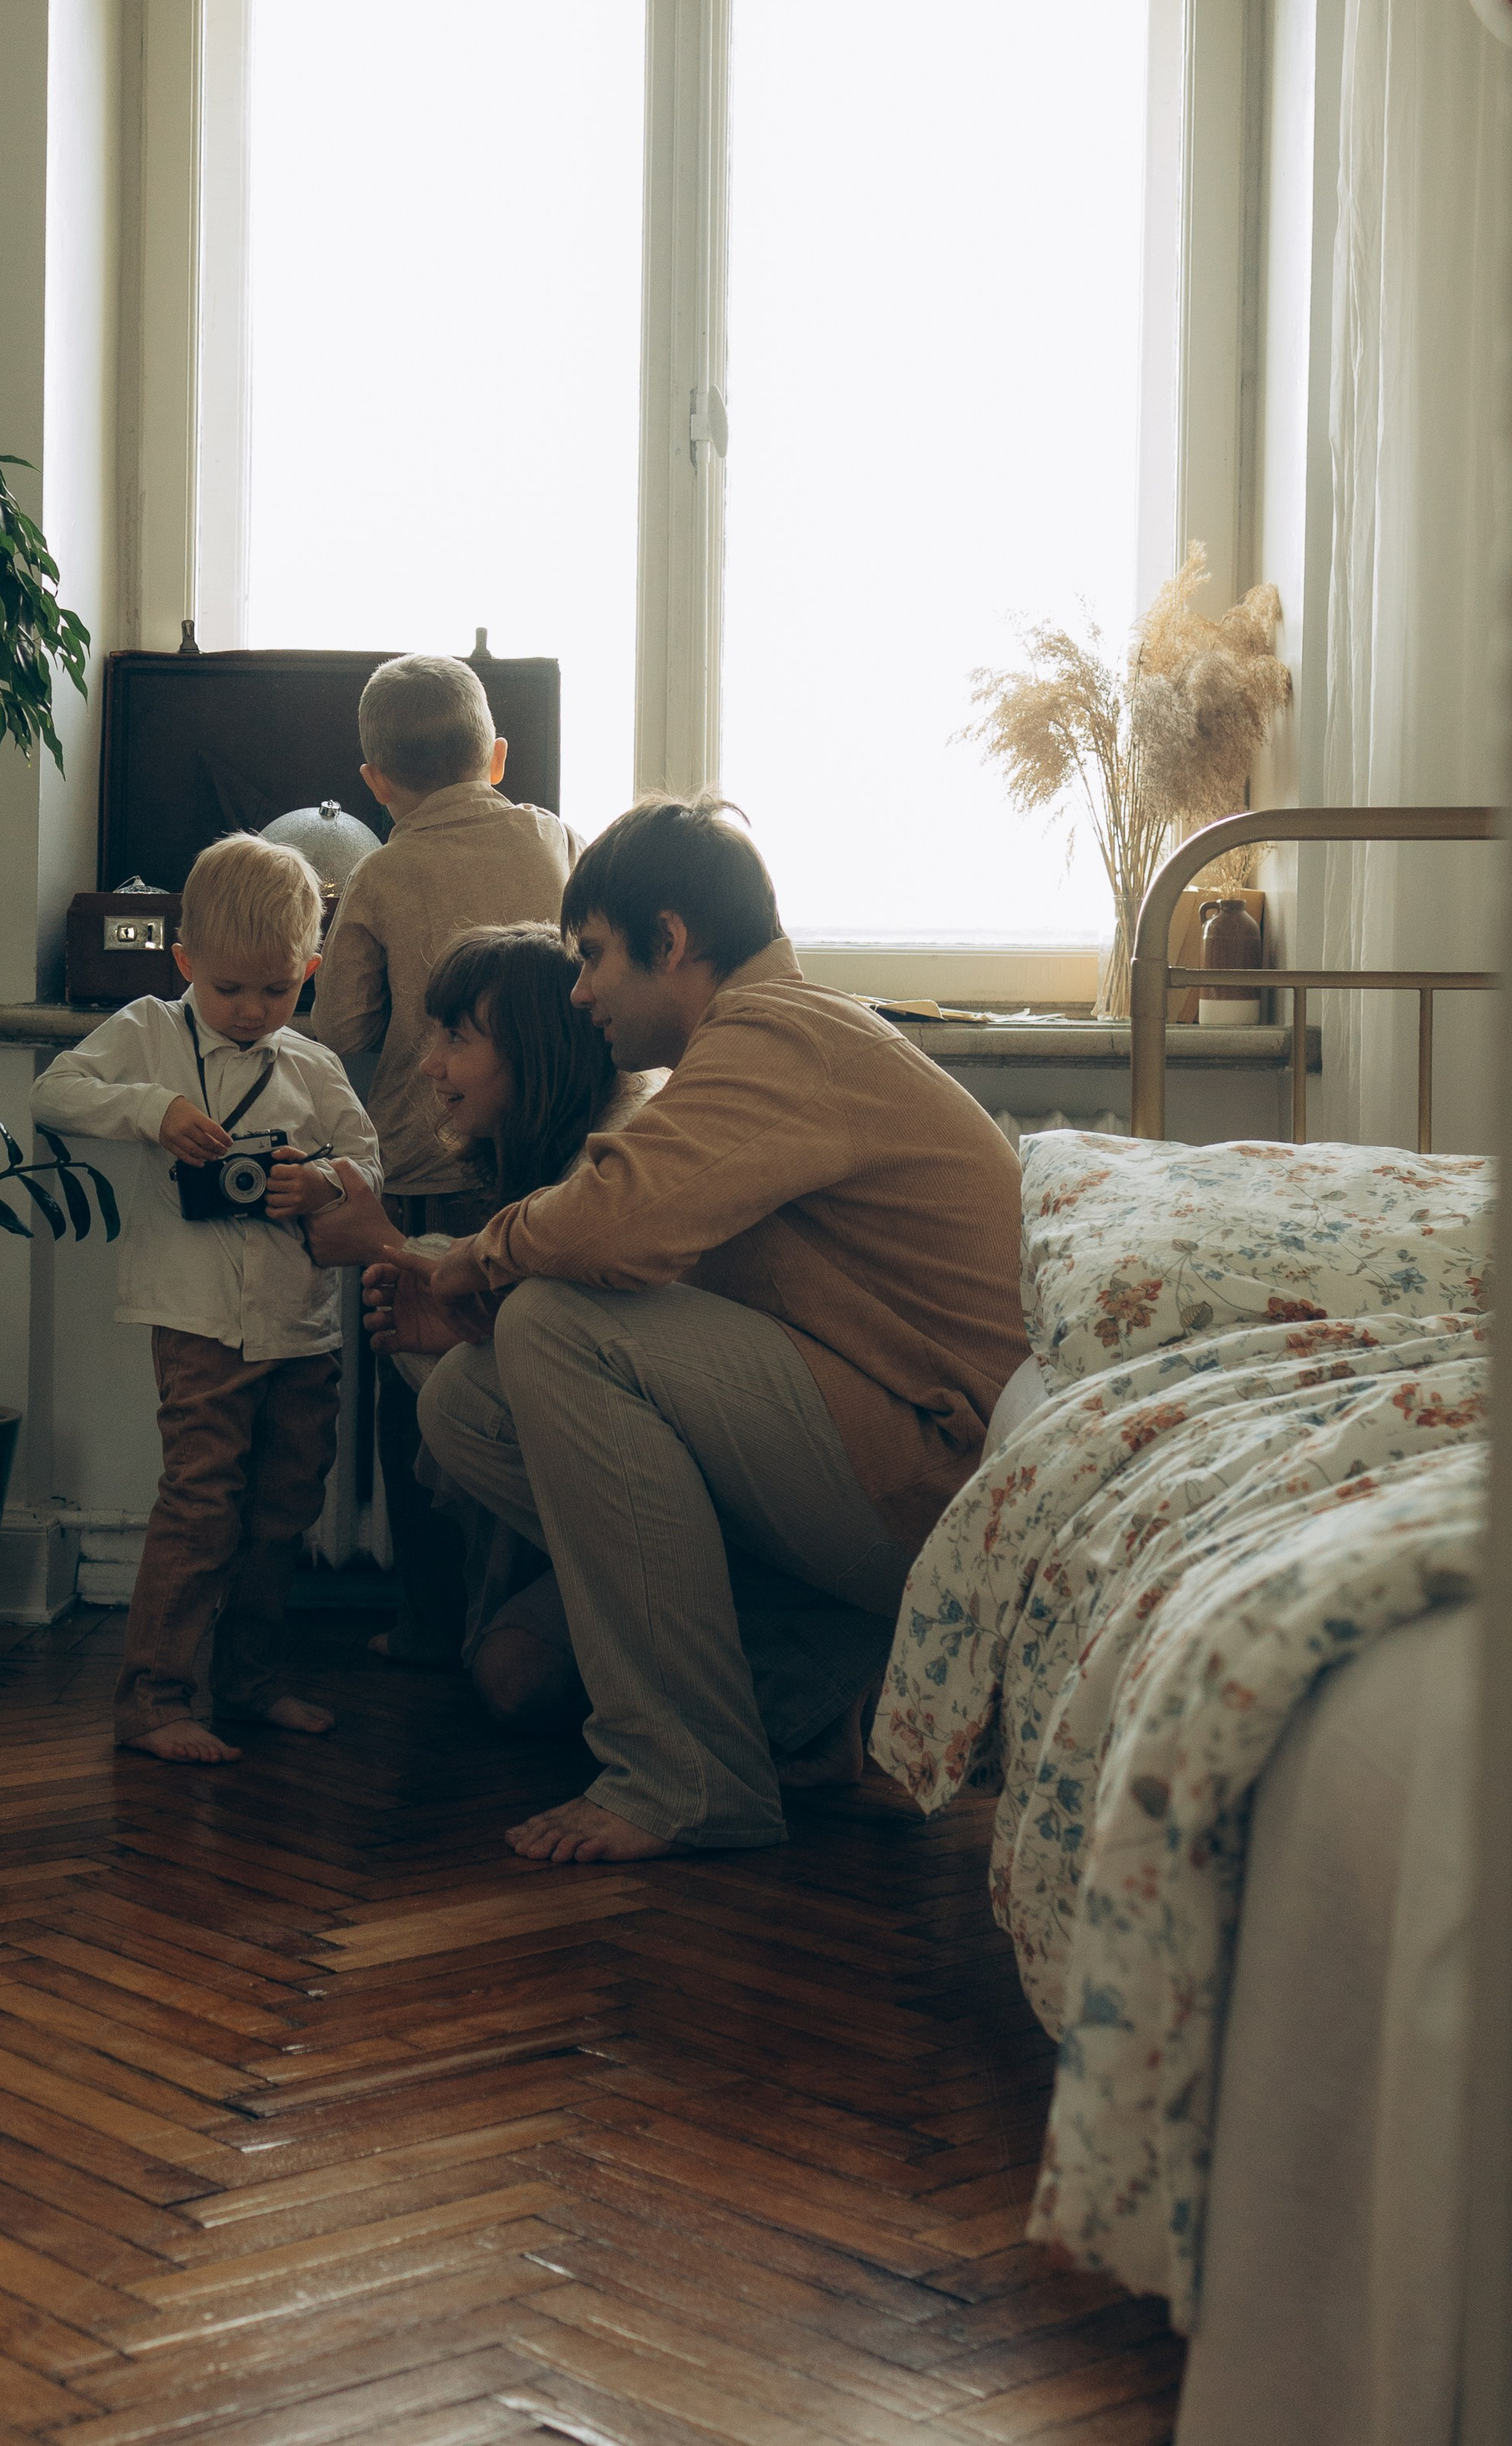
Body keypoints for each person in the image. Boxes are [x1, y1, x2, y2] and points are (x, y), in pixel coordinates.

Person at [364, 796, 1026, 1864]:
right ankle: (794, 1708)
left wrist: (465, 1262)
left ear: (668, 940)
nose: (577, 993)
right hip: (893, 1452)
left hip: (943, 1475)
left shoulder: (779, 1034)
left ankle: (684, 1777)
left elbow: (615, 1226)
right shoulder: (763, 1048)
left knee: (550, 1325)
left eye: (590, 957)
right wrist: (470, 1309)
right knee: (467, 1403)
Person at [30, 832, 382, 1762]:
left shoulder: (313, 1068)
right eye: (227, 989)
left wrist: (322, 1186)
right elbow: (56, 1095)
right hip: (195, 1320)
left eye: (276, 990)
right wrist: (152, 1111)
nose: (249, 1010)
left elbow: (369, 1166)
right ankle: (152, 1700)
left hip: (300, 1326)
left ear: (308, 972)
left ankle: (250, 1682)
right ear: (186, 964)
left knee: (283, 1506)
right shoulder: (148, 1031)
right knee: (200, 1503)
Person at [298, 920, 647, 1710]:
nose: (432, 1064)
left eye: (457, 1038)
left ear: (536, 1052)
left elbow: (576, 1341)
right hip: (602, 1476)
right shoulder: (540, 1162)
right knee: (509, 1676)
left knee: (515, 1679)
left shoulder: (601, 1171)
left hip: (663, 1498)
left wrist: (385, 1243)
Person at [309, 654, 576, 1663]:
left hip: (425, 1164)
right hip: (543, 1161)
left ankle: (426, 1621)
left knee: (411, 1386)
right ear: (495, 756)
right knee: (527, 1378)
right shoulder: (553, 836)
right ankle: (532, 1605)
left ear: (375, 783)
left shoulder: (379, 869)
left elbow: (340, 1025)